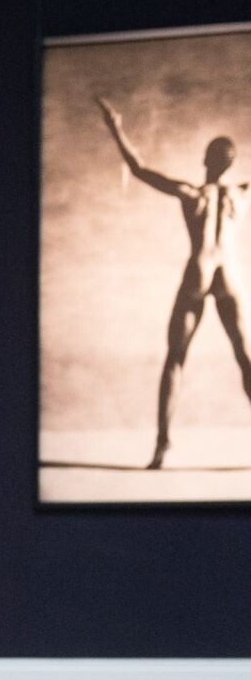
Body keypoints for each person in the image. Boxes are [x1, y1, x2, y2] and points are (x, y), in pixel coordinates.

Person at [96, 99, 251, 468]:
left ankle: (162, 444)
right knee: (245, 358)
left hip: (198, 271)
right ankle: (163, 442)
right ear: (231, 164)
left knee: (175, 360)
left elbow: (139, 168)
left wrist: (116, 127)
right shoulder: (241, 193)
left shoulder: (190, 193)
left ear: (205, 160)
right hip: (228, 274)